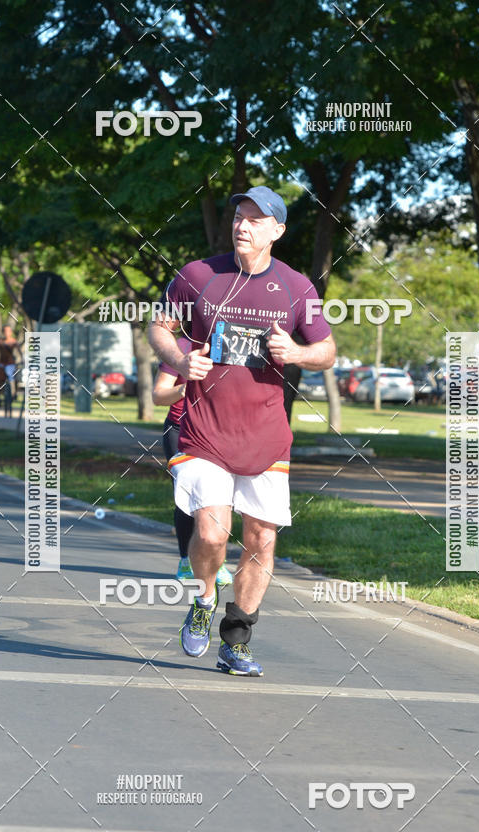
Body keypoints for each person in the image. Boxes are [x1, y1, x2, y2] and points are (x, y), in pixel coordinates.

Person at [150, 185, 335, 677]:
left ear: (277, 231)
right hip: (205, 431)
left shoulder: (300, 289)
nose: (242, 225)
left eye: (256, 219)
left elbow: (327, 351)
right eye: (238, 216)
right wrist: (178, 359)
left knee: (261, 538)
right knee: (211, 532)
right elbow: (158, 327)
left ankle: (237, 639)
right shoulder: (197, 276)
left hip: (266, 435)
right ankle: (206, 597)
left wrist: (295, 354)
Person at [152, 334, 233, 587]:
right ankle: (187, 560)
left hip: (219, 431)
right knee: (190, 497)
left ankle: (214, 561)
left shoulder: (232, 343)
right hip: (180, 429)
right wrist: (183, 389)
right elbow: (158, 395)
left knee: (220, 496)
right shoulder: (181, 348)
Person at [0, 325, 20, 399]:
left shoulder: (14, 342)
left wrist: (21, 360)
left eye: (8, 331)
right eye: (5, 331)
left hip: (10, 364)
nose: (7, 333)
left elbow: (19, 352)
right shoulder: (0, 342)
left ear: (11, 332)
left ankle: (13, 393)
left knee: (11, 377)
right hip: (1, 363)